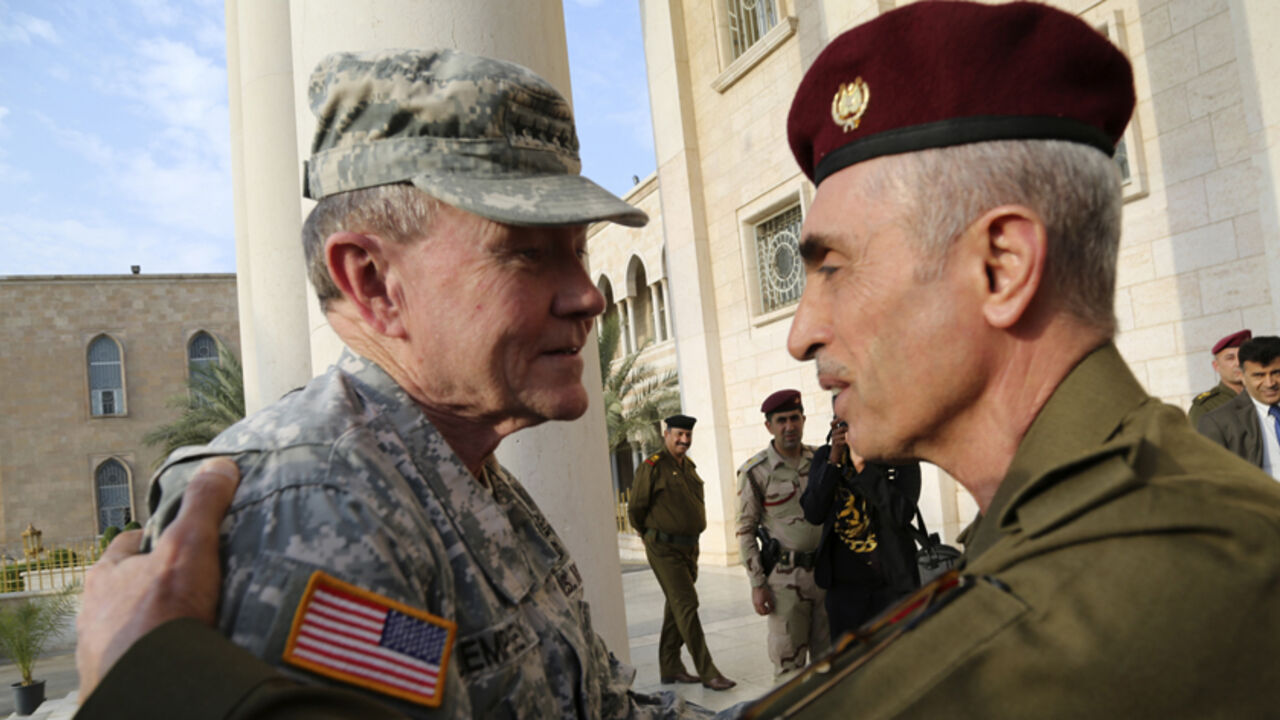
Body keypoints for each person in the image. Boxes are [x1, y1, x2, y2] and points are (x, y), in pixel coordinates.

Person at [77, 49, 715, 720]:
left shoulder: (454, 465)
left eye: (578, 250)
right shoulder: (319, 510)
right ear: (373, 283)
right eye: (527, 251)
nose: (588, 296)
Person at [744, 2, 1280, 717]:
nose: (801, 332)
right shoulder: (1202, 509)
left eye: (834, 268)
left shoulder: (1002, 668)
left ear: (1001, 267)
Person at [628, 415, 736, 691]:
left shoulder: (688, 466)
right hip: (663, 547)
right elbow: (636, 508)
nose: (684, 440)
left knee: (676, 606)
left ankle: (671, 667)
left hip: (689, 547)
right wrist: (649, 534)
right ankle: (708, 671)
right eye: (679, 434)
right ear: (666, 434)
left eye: (688, 435)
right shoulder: (652, 466)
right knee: (687, 604)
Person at [799, 416, 921, 643]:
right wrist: (834, 461)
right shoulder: (826, 457)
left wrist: (863, 468)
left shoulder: (900, 457)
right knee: (850, 667)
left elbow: (902, 513)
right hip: (844, 592)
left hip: (892, 586)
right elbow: (813, 513)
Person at [734, 390, 829, 678]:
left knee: (830, 666)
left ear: (803, 420)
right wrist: (757, 583)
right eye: (782, 420)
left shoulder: (821, 461)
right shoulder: (756, 471)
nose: (790, 426)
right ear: (769, 426)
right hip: (785, 583)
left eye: (795, 418)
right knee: (790, 671)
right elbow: (745, 530)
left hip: (826, 578)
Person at [1197, 335, 1280, 478]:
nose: (1269, 383)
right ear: (1242, 376)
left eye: (1276, 373)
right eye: (1259, 375)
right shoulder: (1218, 423)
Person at [1187, 329, 1251, 426]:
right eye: (1230, 358)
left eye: (1242, 356)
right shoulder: (1206, 406)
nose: (1238, 363)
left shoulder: (1264, 395)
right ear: (1216, 366)